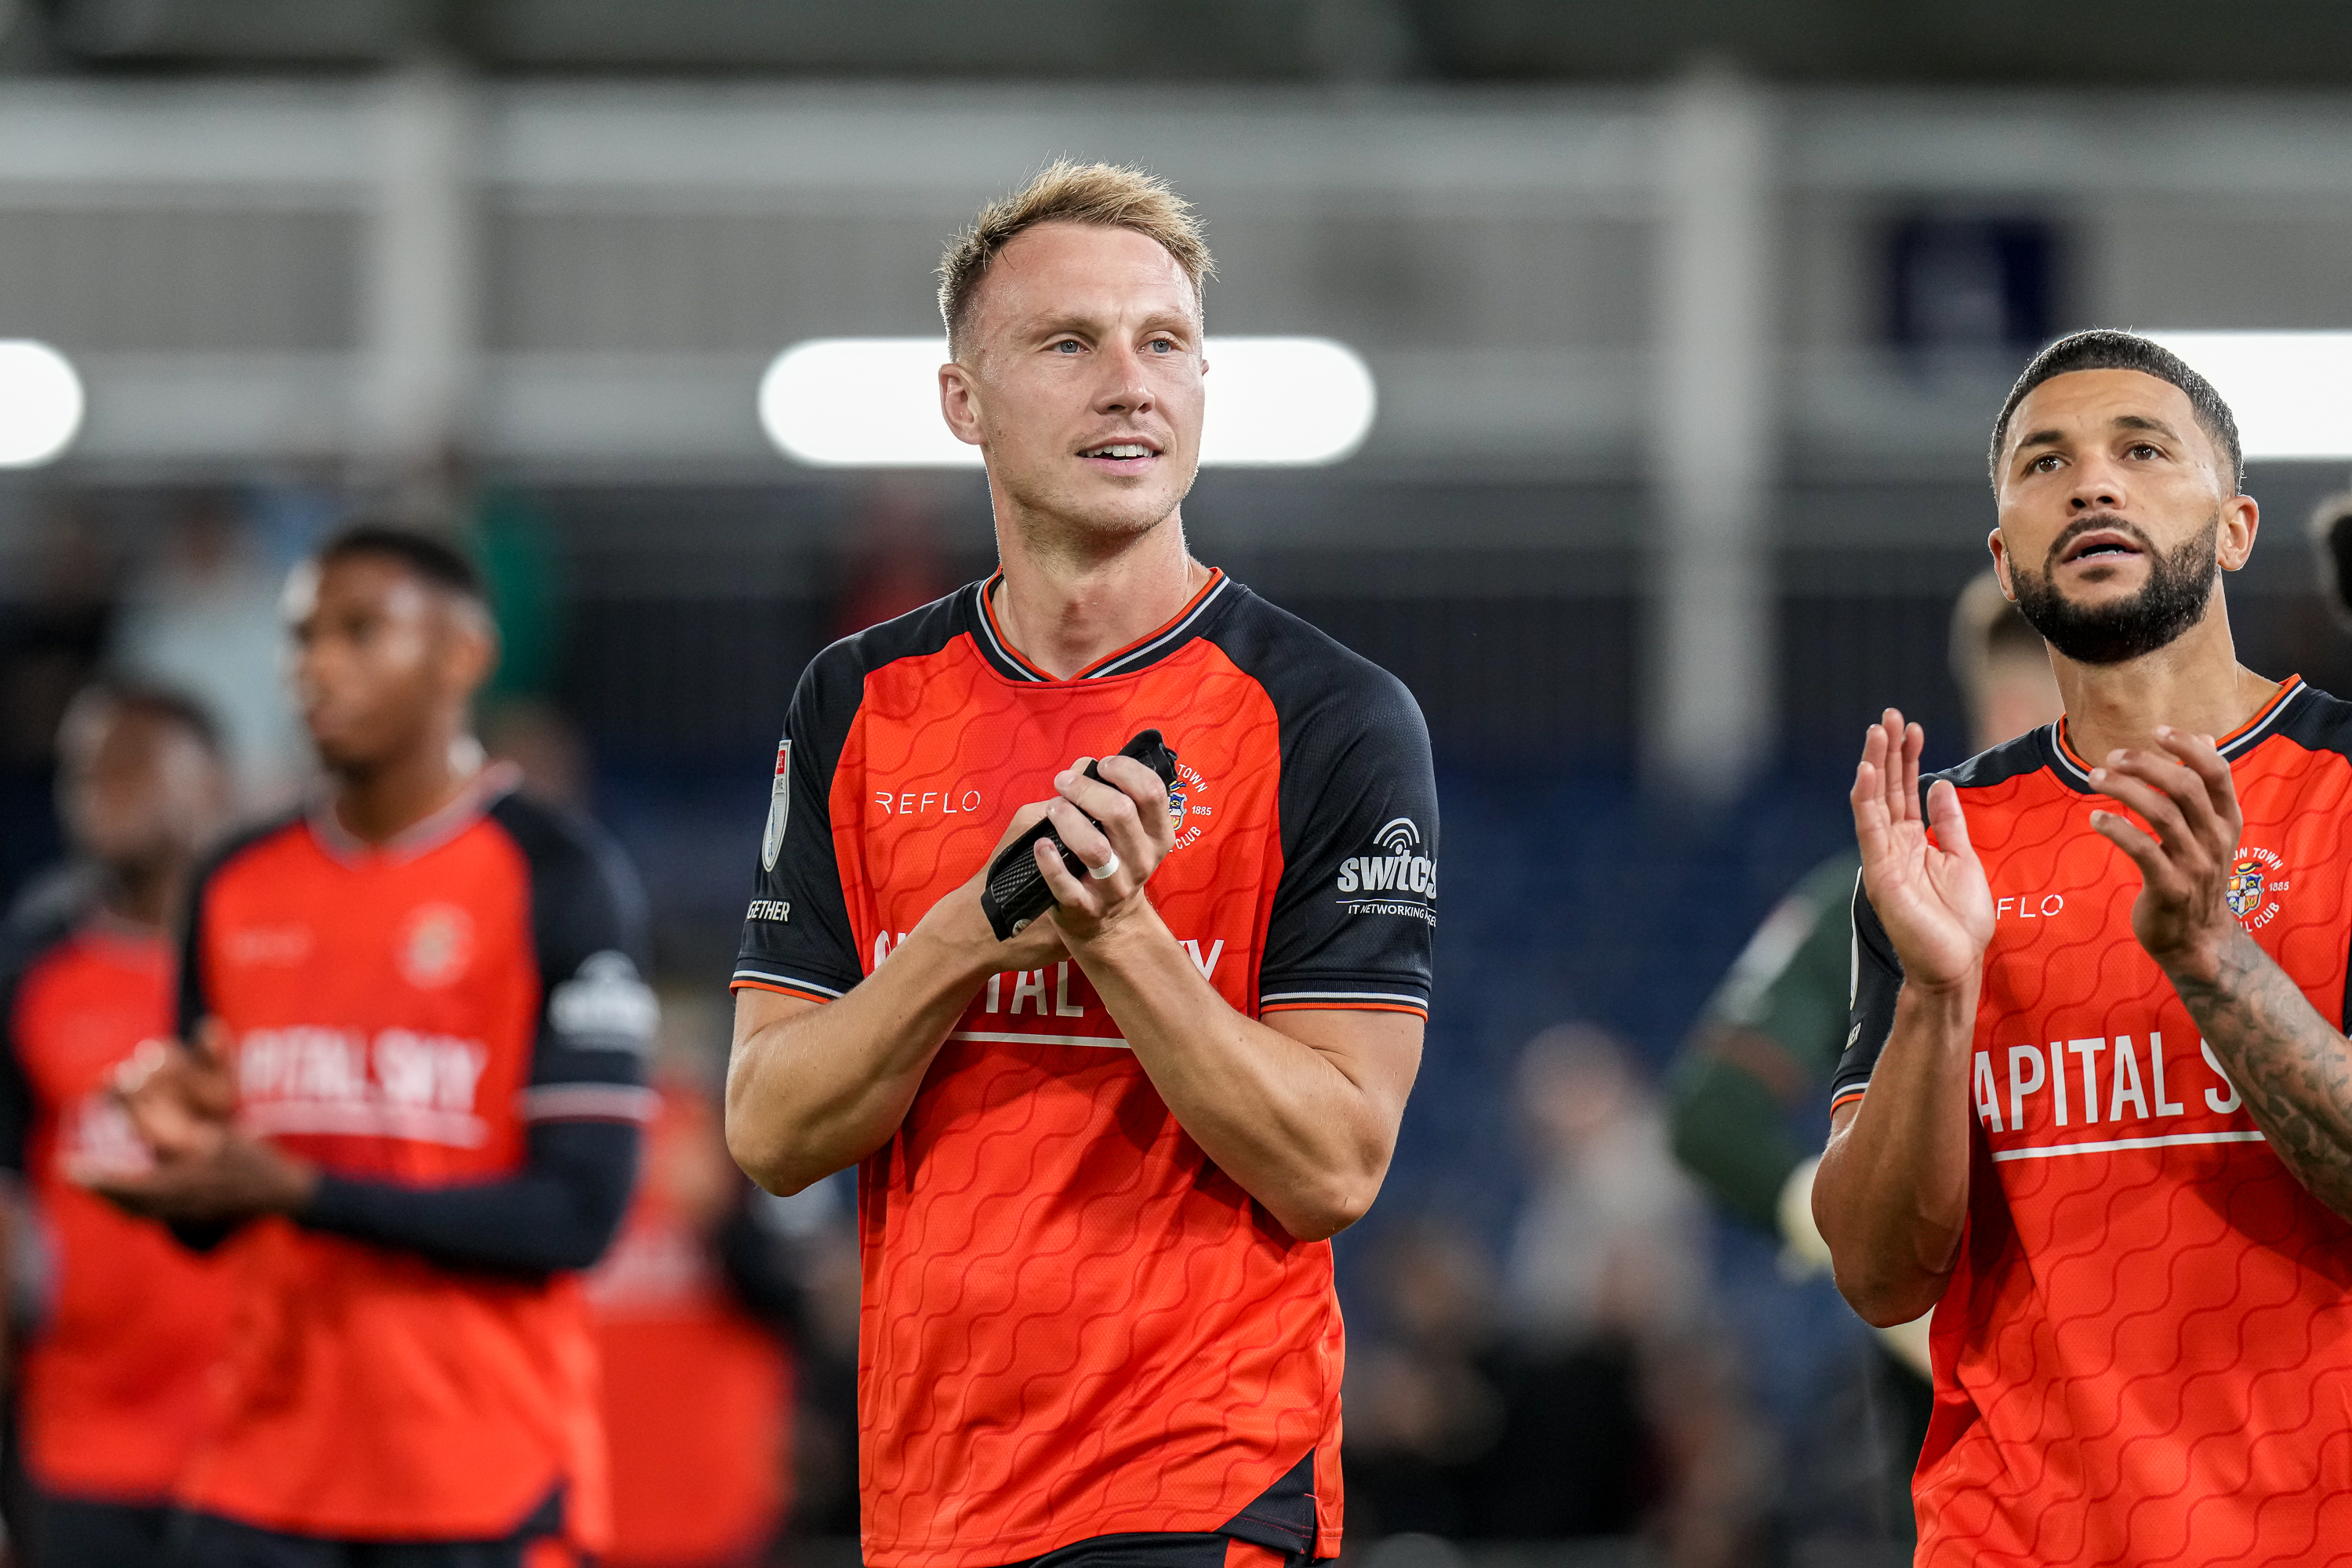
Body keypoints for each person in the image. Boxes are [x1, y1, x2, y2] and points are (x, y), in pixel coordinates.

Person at [724, 161, 1437, 1568]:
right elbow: (771, 1131)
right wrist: (968, 937)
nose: (1131, 384)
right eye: (1070, 344)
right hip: (928, 1497)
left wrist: (1118, 936)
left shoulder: (1330, 715)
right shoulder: (859, 702)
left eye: (1163, 343)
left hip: (1202, 1479)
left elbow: (1335, 1167)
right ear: (962, 403)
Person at [1817, 328, 2352, 1564]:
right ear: (2006, 561)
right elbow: (1882, 1273)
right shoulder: (1941, 841)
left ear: (2237, 528)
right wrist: (1939, 995)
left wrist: (2214, 962)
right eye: (2045, 462)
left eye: (2143, 450)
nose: (2093, 483)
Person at [83, 526, 655, 1567]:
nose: (317, 667)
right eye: (302, 638)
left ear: (463, 657)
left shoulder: (556, 874)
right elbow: (218, 1219)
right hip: (263, 1471)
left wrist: (300, 1190)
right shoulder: (235, 883)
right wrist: (178, 1159)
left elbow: (579, 1216)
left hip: (480, 1478)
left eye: (359, 632)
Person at [0, 684, 237, 1567]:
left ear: (212, 785)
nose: (99, 785)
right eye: (81, 767)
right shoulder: (31, 971)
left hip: (259, 1450)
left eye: (132, 761)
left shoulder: (279, 963)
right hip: (82, 1449)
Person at [588, 1060, 799, 1568]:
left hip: (714, 1509)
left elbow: (790, 1299)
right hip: (586, 1501)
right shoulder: (572, 1133)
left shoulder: (719, 1126)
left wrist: (721, 1213)